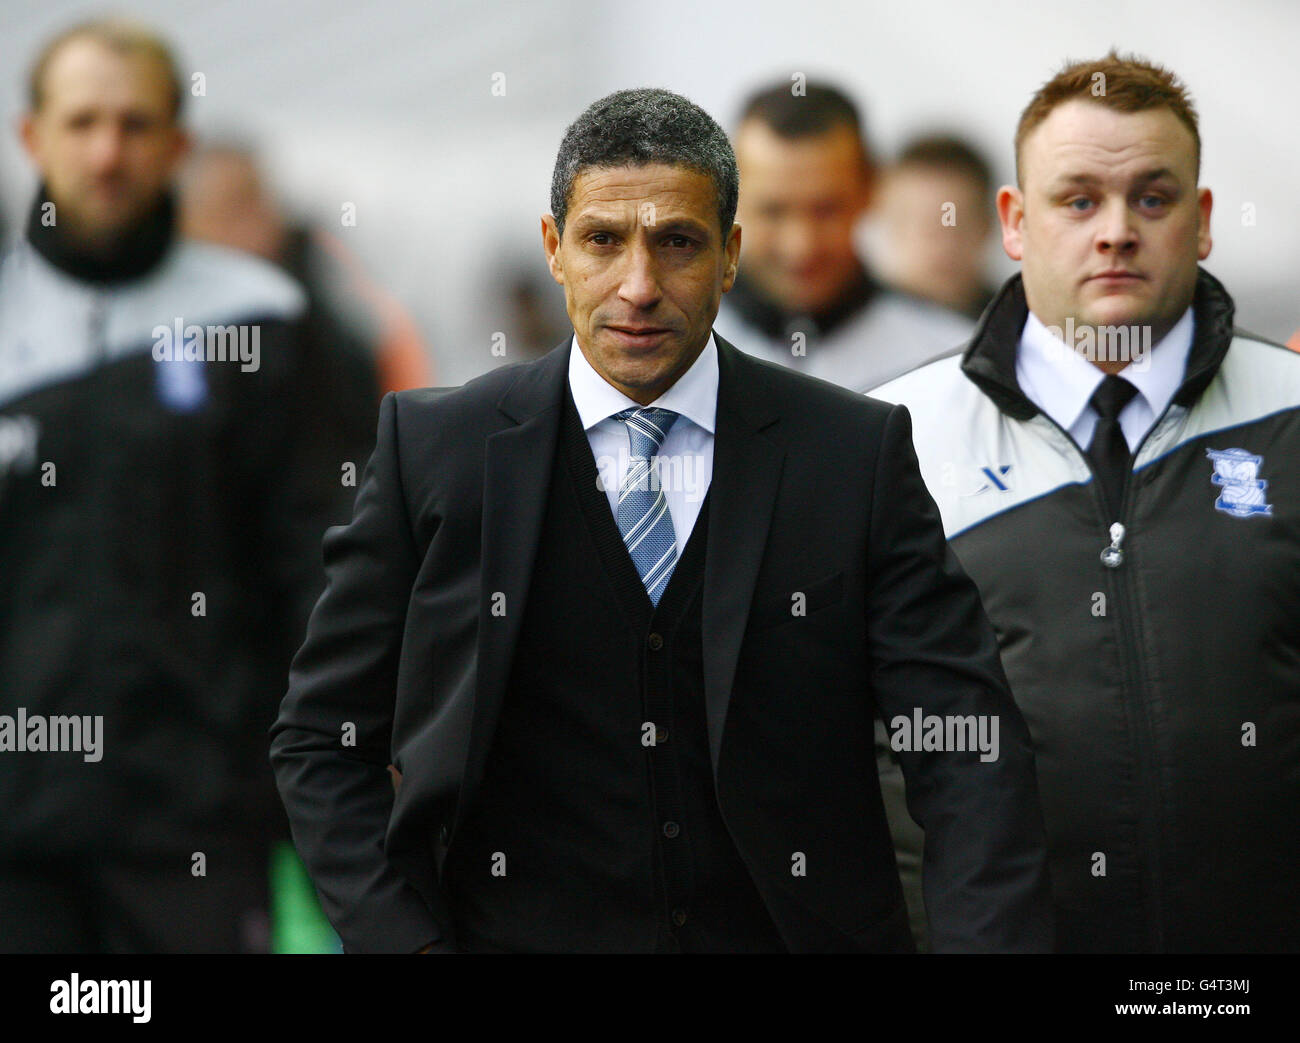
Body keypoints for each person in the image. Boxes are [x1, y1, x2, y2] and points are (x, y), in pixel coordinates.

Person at [269, 87, 1054, 955]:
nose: (639, 286)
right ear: (553, 250)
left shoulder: (850, 455)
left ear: (730, 257)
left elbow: (967, 747)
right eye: (603, 240)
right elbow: (321, 740)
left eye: (677, 242)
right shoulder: (438, 451)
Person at [870, 51, 1300, 952]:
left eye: (1153, 196)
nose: (1116, 231)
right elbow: (845, 760)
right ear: (1016, 223)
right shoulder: (891, 441)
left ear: (1204, 219)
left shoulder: (1291, 412)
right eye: (1078, 200)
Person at [0, 19, 341, 952]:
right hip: (16, 835)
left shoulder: (261, 317)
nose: (108, 152)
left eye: (135, 124)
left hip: (198, 823)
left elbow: (321, 567)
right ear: (33, 137)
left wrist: (311, 770)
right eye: (81, 123)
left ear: (178, 146)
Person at [712, 80, 973, 393]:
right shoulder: (674, 350)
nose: (801, 247)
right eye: (773, 211)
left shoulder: (949, 363)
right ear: (728, 196)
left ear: (871, 189)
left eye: (826, 210)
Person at [871, 133, 1001, 320]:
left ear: (987, 226)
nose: (945, 244)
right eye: (927, 227)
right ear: (890, 224)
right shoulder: (850, 328)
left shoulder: (1026, 325)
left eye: (958, 227)